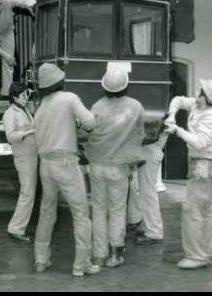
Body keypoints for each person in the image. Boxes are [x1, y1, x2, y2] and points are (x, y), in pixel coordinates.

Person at [33, 63, 101, 277]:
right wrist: (82, 125)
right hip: (66, 163)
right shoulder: (69, 98)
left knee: (46, 213)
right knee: (81, 214)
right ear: (59, 81)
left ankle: (41, 260)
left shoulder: (40, 107)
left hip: (45, 165)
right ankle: (82, 264)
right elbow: (90, 122)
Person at [85, 63, 145, 268]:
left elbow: (89, 131)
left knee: (99, 210)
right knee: (118, 210)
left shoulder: (97, 106)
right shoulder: (136, 106)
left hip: (96, 164)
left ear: (105, 87)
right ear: (126, 86)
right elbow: (140, 134)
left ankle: (99, 255)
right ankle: (114, 254)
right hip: (119, 167)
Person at [165, 78, 212, 269]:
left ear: (207, 97)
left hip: (204, 165)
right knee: (205, 210)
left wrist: (177, 130)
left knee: (192, 209)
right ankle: (208, 253)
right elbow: (177, 100)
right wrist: (172, 115)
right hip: (200, 162)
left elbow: (199, 142)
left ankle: (196, 256)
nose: (198, 90)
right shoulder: (199, 104)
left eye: (201, 90)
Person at [2, 82, 38, 243]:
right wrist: (30, 131)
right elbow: (11, 137)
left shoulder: (25, 111)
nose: (26, 97)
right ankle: (16, 229)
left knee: (29, 193)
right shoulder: (10, 114)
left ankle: (17, 227)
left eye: (27, 94)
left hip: (32, 155)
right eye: (23, 95)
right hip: (23, 157)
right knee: (27, 193)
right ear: (15, 96)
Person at [134, 119, 169, 245]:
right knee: (145, 192)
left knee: (148, 193)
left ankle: (154, 232)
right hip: (149, 150)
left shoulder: (157, 113)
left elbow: (151, 135)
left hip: (149, 151)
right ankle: (148, 226)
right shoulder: (162, 111)